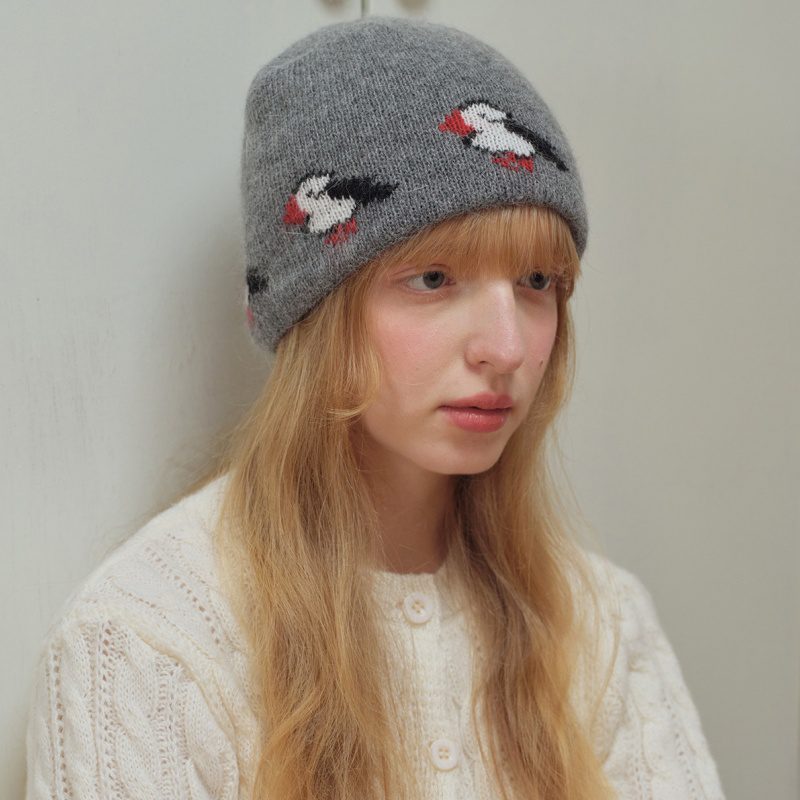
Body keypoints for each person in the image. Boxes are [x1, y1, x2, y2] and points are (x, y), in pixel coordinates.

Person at [24, 15, 727, 800]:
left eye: (537, 282)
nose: (506, 347)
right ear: (317, 311)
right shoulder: (149, 643)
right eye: (433, 279)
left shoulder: (602, 626)